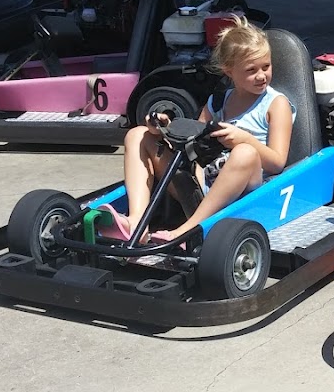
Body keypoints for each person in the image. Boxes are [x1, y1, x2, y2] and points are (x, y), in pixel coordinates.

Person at [117, 15, 295, 243]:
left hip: (245, 188)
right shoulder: (218, 101)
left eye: (266, 67)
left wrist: (244, 139)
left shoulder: (275, 104)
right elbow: (193, 142)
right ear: (229, 71)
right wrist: (163, 129)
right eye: (251, 70)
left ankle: (188, 229)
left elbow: (278, 162)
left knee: (245, 153)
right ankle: (137, 223)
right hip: (203, 181)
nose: (261, 76)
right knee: (137, 135)